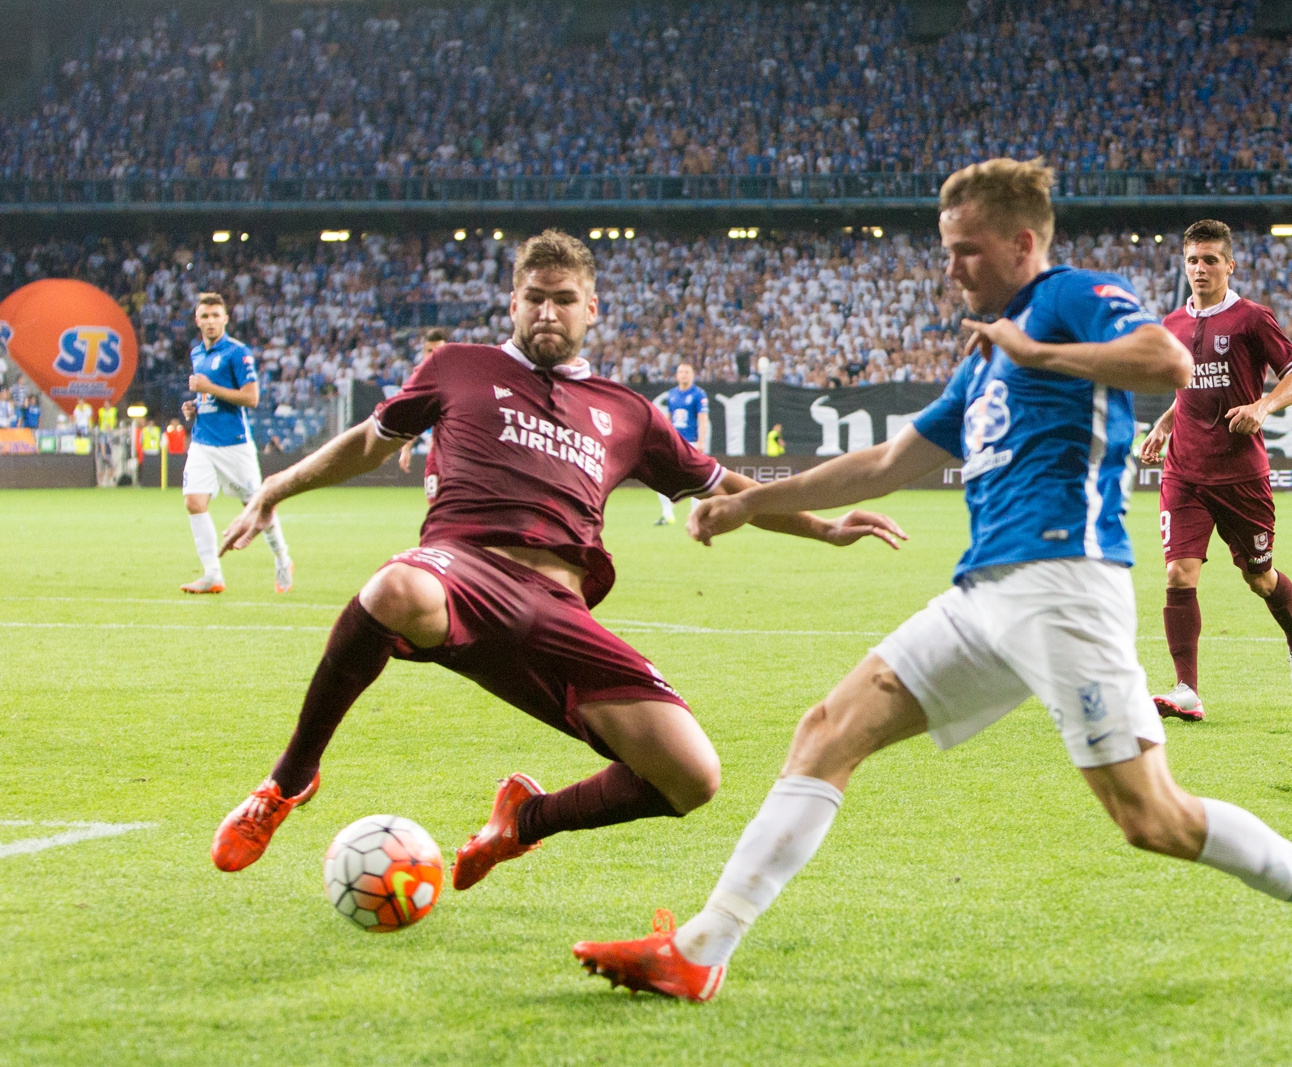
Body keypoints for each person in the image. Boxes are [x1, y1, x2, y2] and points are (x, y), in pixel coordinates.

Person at [573, 159, 1292, 1001]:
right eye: (946, 248)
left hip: (1066, 584)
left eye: (967, 249)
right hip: (986, 594)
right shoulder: (984, 358)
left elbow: (1165, 364)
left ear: (1024, 242)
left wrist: (1039, 351)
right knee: (829, 730)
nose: (950, 267)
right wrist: (751, 503)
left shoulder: (1068, 299)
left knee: (1153, 818)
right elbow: (886, 460)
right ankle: (700, 948)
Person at [208, 229, 903, 887]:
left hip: (560, 611)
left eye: (564, 299)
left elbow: (730, 490)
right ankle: (291, 778)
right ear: (512, 303)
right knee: (395, 588)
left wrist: (827, 527)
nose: (547, 311)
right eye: (534, 297)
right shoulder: (458, 366)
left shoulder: (630, 414)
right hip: (462, 572)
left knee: (693, 776)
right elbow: (370, 440)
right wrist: (278, 484)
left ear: (591, 309)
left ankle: (523, 819)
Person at [1137, 220, 1292, 723]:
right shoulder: (1171, 323)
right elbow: (1189, 387)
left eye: (1211, 259)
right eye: (1193, 260)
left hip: (1240, 475)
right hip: (1185, 471)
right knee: (1178, 573)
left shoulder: (1252, 319)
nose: (1200, 269)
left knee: (1259, 578)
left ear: (1229, 265)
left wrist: (1263, 405)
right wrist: (1165, 424)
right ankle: (1187, 689)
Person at [178, 293, 293, 595]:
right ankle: (212, 574)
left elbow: (251, 398)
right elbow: (209, 397)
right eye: (205, 316)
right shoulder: (197, 353)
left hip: (233, 443)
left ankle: (282, 557)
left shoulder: (237, 352)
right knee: (193, 502)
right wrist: (195, 405)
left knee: (256, 507)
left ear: (226, 318)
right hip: (202, 440)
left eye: (216, 315)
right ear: (197, 321)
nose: (211, 321)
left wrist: (208, 387)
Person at [656, 362, 709, 525]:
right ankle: (667, 515)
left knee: (695, 479)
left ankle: (695, 516)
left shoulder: (699, 394)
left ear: (692, 375)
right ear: (677, 375)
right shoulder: (672, 394)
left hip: (692, 442)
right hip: (674, 443)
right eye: (681, 372)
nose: (684, 375)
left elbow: (703, 419)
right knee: (661, 477)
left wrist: (701, 442)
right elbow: (668, 420)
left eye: (687, 372)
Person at [397, 328, 451, 475]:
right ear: (423, 352)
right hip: (439, 450)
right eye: (429, 350)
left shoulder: (459, 375)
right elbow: (415, 416)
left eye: (438, 350)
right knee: (434, 495)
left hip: (462, 451)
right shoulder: (419, 380)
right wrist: (406, 448)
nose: (433, 355)